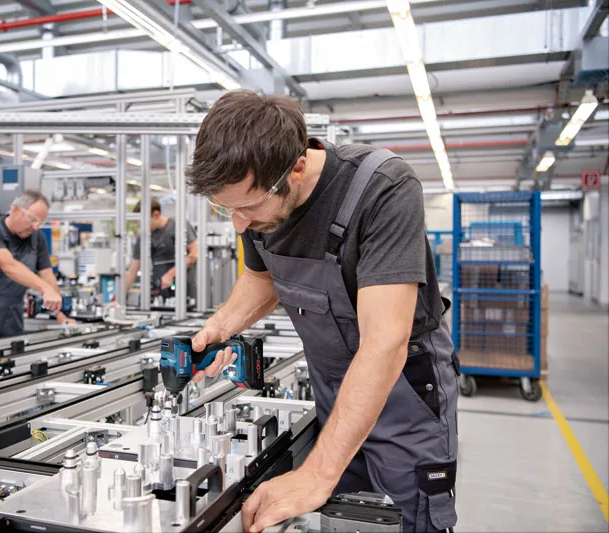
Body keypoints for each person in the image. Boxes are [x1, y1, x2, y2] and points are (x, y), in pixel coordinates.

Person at [185, 90, 459, 533]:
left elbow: (384, 343)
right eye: (226, 208)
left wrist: (318, 472)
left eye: (248, 207)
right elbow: (260, 277)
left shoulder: (382, 188)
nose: (238, 223)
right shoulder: (255, 206)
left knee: (405, 520)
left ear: (295, 166)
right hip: (335, 394)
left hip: (406, 399)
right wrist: (220, 326)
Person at [0, 189, 75, 341]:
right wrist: (45, 288)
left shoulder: (37, 238)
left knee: (14, 360)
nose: (36, 227)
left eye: (40, 222)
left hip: (13, 314)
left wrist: (60, 315)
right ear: (15, 210)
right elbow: (9, 266)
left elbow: (47, 274)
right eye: (32, 219)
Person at [124, 197, 198, 301]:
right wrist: (118, 300)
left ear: (156, 215)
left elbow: (194, 254)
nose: (142, 225)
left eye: (145, 221)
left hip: (186, 290)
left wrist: (170, 274)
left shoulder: (178, 225)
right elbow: (132, 271)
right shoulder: (144, 236)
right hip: (161, 292)